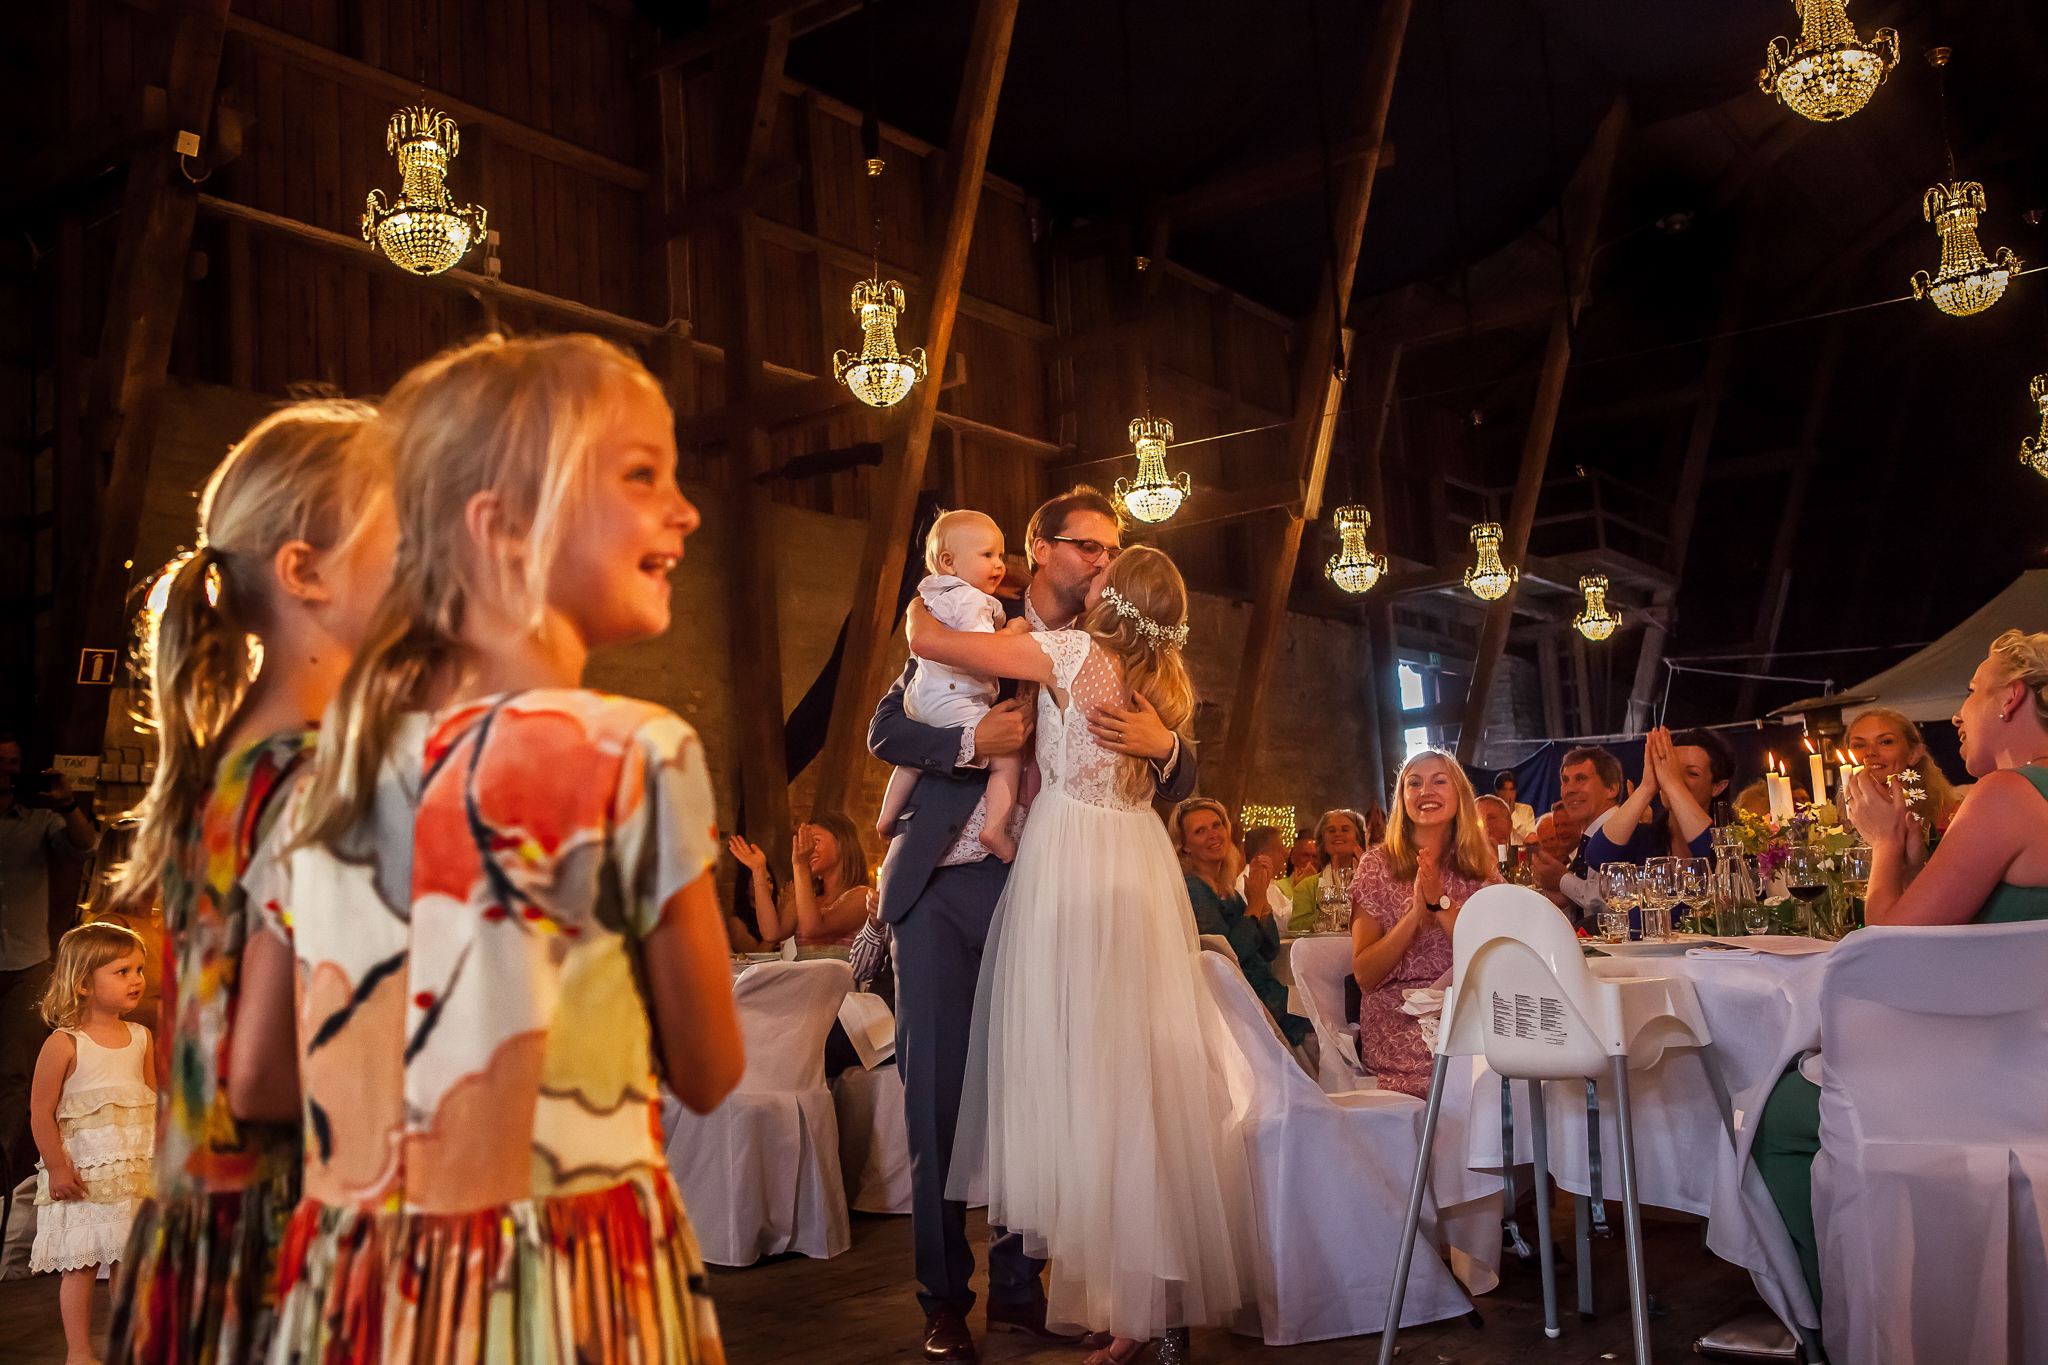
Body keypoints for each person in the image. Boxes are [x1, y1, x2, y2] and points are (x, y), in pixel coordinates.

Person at [248, 334, 744, 1362]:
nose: (684, 510)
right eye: (643, 474)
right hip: (561, 1280)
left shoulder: (316, 779)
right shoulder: (634, 753)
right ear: (504, 527)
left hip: (357, 1283)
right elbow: (706, 1070)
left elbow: (260, 1080)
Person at [866, 486, 1197, 1363]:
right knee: (936, 1097)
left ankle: (1023, 1284)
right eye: (1088, 545)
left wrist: (1163, 746)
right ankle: (944, 1300)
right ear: (1039, 547)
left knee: (1039, 1086)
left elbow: (1181, 757)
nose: (1100, 560)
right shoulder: (977, 616)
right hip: (945, 886)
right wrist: (976, 742)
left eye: (1112, 550)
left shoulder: (1094, 648)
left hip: (1048, 884)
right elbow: (884, 727)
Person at [106, 397, 391, 1365]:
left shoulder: (225, 763)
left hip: (197, 1236)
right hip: (283, 1254)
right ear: (306, 570)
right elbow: (268, 1074)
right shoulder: (322, 780)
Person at [1754, 631, 2048, 1326]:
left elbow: (1887, 956)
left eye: (1973, 690)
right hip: (2029, 1071)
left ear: (2011, 697)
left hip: (1976, 1084)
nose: (1960, 712)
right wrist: (1915, 864)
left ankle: (1846, 1326)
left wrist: (1884, 846)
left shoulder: (2006, 795)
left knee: (1774, 1116)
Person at [29, 922, 153, 1365]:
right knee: (79, 1264)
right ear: (83, 984)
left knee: (127, 1260)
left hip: (130, 1175)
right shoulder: (64, 1044)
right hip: (81, 1174)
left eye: (139, 968)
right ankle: (78, 1352)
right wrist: (58, 1168)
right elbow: (40, 1112)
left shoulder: (141, 1037)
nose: (136, 979)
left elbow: (151, 1103)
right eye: (122, 971)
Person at [1348, 750, 1503, 1098]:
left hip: (1469, 1005)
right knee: (1469, 1072)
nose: (1425, 791)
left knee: (1528, 1055)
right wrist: (1416, 915)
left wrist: (1440, 903)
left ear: (1459, 794)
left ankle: (1505, 1151)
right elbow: (1365, 976)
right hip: (1401, 1016)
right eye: (1413, 783)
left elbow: (1493, 953)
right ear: (1402, 799)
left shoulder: (1480, 866)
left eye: (1439, 781)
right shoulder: (1377, 865)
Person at [877, 511, 1026, 861]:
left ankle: (886, 818)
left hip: (922, 697)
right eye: (988, 555)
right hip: (955, 698)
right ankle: (995, 830)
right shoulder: (970, 600)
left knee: (911, 763)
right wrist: (1012, 634)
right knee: (1007, 759)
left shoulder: (933, 594)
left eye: (1001, 556)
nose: (999, 565)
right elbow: (979, 650)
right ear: (949, 561)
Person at [0, 731, 99, 1205]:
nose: (6, 770)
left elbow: (84, 847)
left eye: (13, 761)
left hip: (24, 964)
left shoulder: (40, 818)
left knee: (15, 1075)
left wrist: (67, 804)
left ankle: (0, 1179)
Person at [1176, 801, 1308, 1047]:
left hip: (1262, 990)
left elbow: (1270, 951)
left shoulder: (1226, 888)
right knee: (1328, 1012)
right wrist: (1254, 905)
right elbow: (1226, 957)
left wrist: (1263, 904)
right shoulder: (1193, 889)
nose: (1213, 834)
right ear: (1184, 847)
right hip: (1244, 1003)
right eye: (1200, 831)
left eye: (1217, 825)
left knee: (1334, 1003)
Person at [731, 811, 873, 957]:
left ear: (842, 844)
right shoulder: (808, 898)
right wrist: (758, 870)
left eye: (815, 841)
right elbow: (771, 933)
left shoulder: (862, 896)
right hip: (803, 978)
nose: (808, 849)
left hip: (837, 979)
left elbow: (813, 930)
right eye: (804, 843)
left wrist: (800, 865)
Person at [1585, 725, 1722, 866]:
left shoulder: (1735, 839)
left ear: (1718, 786)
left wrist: (1674, 786)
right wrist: (1646, 788)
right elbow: (1597, 857)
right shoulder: (1647, 838)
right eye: (1670, 769)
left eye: (1692, 773)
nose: (1672, 777)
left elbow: (1718, 859)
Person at [1534, 746, 1628, 926]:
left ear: (1611, 789)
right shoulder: (1589, 838)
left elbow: (1613, 902)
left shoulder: (1624, 832)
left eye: (1581, 779)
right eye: (1565, 781)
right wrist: (1566, 902)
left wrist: (1563, 880)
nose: (1569, 790)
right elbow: (1590, 916)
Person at [1844, 706, 1961, 832]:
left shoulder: (1952, 817)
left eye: (1886, 742)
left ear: (1913, 754)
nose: (1870, 752)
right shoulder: (1836, 823)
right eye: (1859, 745)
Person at [1286, 808, 1368, 934]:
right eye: (1331, 831)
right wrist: (1332, 914)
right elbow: (1296, 927)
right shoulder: (1306, 886)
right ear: (1323, 843)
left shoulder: (1371, 881)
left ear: (1358, 839)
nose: (1338, 834)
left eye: (1345, 829)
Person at [1234, 824, 1292, 922]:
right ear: (1261, 855)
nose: (1285, 855)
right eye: (1279, 849)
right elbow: (1278, 924)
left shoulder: (1270, 883)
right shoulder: (1247, 884)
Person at [1492, 771, 1538, 844]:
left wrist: (1513, 814)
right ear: (1497, 791)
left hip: (1520, 853)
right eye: (1504, 790)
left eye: (1512, 790)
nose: (1508, 794)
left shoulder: (1526, 810)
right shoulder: (1491, 812)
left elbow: (1531, 840)